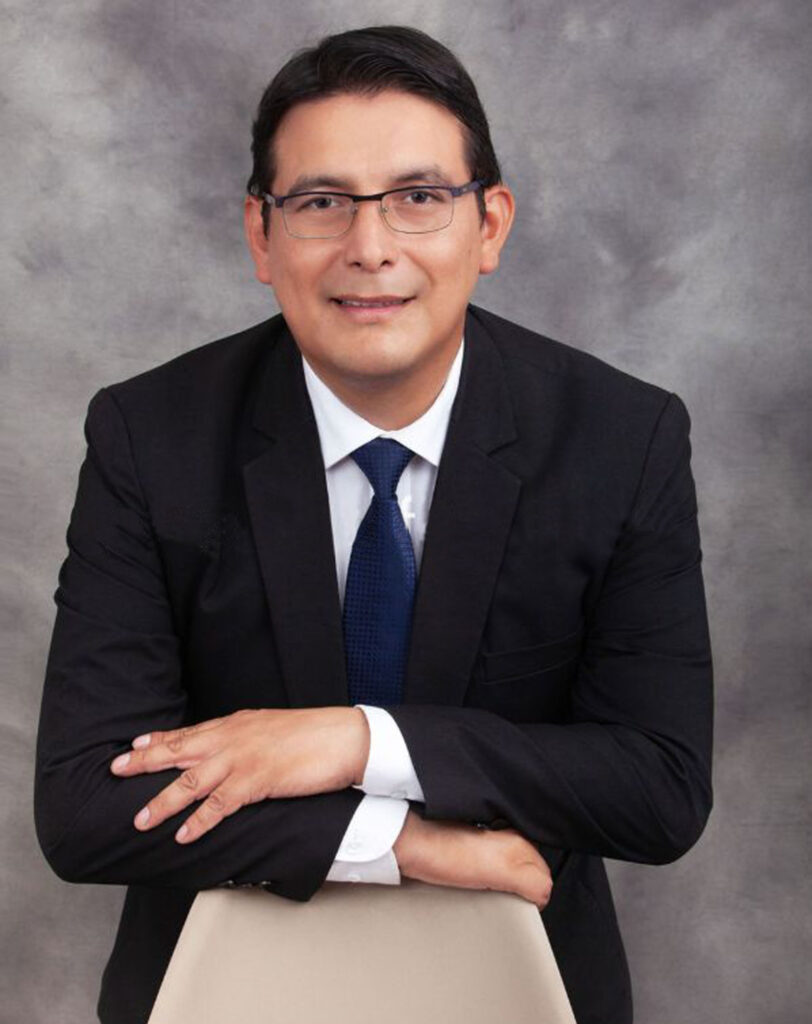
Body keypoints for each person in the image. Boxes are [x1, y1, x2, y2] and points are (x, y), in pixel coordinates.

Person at [34, 24, 714, 1024]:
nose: (370, 247)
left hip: (516, 988)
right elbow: (87, 806)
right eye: (321, 203)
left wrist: (356, 742)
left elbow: (657, 788)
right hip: (221, 988)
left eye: (418, 197)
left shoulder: (620, 438)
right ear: (261, 236)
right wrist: (402, 843)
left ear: (489, 226)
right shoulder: (151, 436)